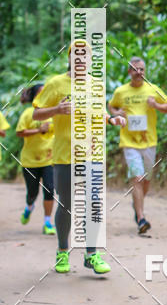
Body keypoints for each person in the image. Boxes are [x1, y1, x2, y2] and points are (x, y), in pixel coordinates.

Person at [33, 41, 125, 275]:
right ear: (70, 58)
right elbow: (36, 113)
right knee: (67, 206)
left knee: (93, 203)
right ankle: (63, 251)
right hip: (65, 155)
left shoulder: (95, 84)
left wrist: (111, 120)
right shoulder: (56, 84)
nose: (82, 60)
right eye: (78, 56)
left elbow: (100, 111)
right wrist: (56, 110)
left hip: (92, 153)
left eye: (86, 56)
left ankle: (91, 254)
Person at [108, 57, 167, 234]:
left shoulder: (152, 89)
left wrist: (156, 105)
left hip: (149, 141)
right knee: (137, 178)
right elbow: (111, 106)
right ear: (129, 71)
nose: (139, 73)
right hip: (129, 142)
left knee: (146, 181)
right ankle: (141, 218)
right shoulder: (121, 91)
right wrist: (117, 112)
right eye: (135, 69)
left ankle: (137, 204)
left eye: (142, 69)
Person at [16, 84, 56, 233]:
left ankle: (47, 223)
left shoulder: (54, 113)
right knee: (32, 193)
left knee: (50, 190)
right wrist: (38, 130)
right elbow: (20, 132)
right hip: (30, 160)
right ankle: (29, 206)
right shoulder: (28, 113)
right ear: (34, 96)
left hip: (49, 159)